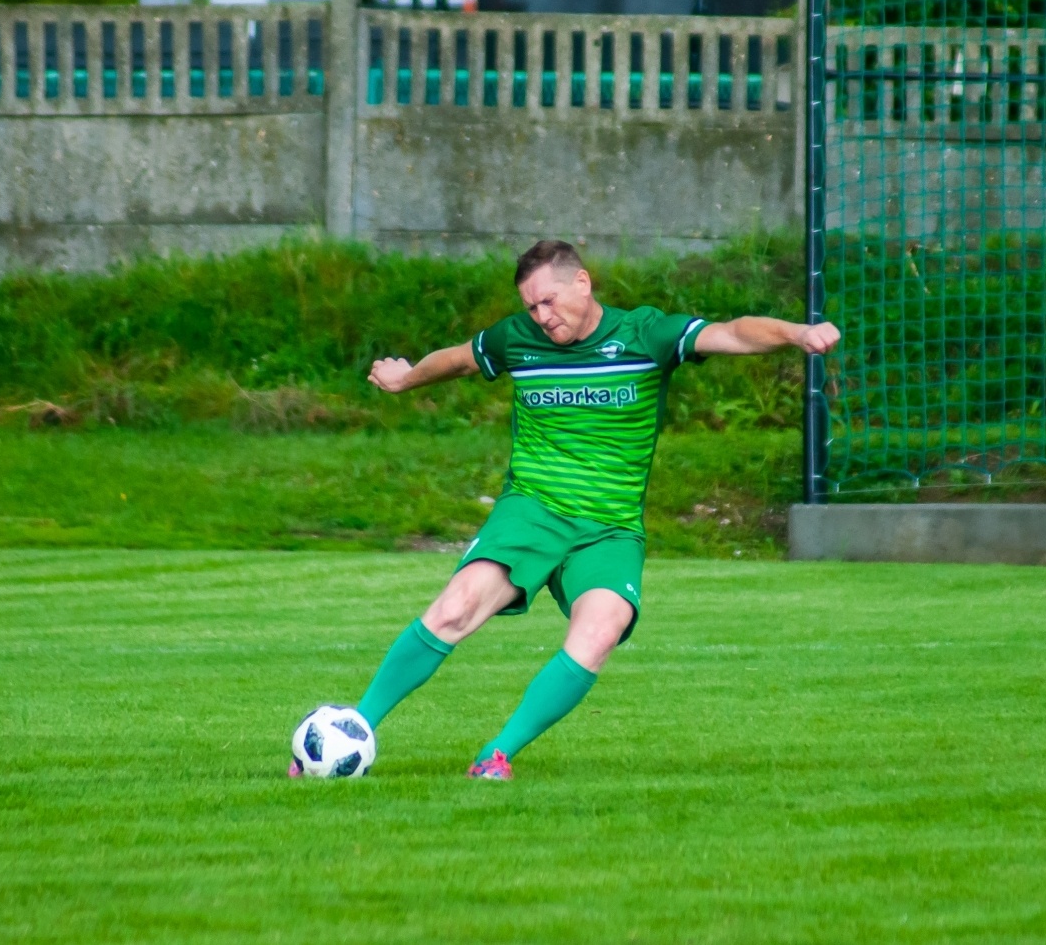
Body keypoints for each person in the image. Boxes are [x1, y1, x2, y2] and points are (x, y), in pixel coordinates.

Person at [322, 239, 840, 780]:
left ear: (583, 283)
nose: (542, 317)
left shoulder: (645, 334)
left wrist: (797, 334)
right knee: (455, 608)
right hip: (533, 510)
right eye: (532, 307)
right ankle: (351, 732)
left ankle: (496, 755)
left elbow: (733, 331)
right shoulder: (516, 339)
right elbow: (457, 361)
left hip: (609, 529)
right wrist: (406, 378)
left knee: (600, 632)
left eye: (549, 301)